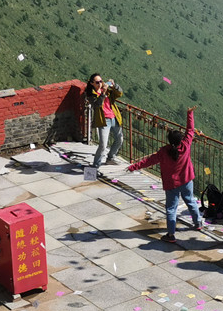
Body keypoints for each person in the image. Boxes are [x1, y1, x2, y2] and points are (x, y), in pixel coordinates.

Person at [126, 107, 203, 243]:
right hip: (186, 180)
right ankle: (198, 223)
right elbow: (190, 130)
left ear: (169, 141)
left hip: (172, 184)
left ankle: (171, 235)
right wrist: (189, 113)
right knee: (191, 201)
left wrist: (134, 167)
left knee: (171, 209)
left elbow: (148, 161)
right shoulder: (186, 145)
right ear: (181, 140)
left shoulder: (163, 152)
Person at [85, 73, 123, 167]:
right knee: (103, 145)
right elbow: (97, 105)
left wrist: (114, 86)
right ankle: (96, 165)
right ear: (92, 83)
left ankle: (110, 158)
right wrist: (102, 94)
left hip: (114, 117)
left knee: (119, 139)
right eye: (97, 82)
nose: (100, 84)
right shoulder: (91, 95)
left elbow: (119, 93)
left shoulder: (108, 91)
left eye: (101, 81)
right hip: (103, 120)